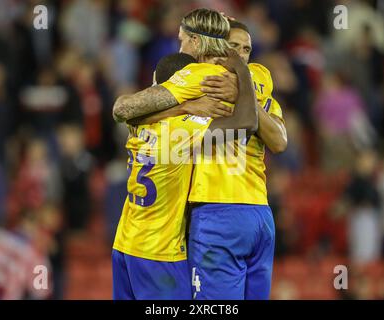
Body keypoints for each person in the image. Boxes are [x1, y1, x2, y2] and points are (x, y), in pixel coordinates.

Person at [120, 19, 287, 300]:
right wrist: (245, 89)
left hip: (217, 212)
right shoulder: (260, 86)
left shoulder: (202, 80)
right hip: (259, 216)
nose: (240, 55)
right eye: (233, 47)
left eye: (246, 49)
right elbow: (279, 141)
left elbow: (128, 109)